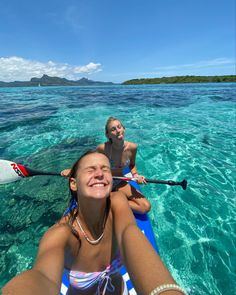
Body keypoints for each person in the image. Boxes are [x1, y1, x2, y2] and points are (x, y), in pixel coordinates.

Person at [3, 151, 187, 295]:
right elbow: (41, 277)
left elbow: (130, 232)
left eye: (105, 169)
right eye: (90, 170)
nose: (99, 173)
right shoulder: (61, 233)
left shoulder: (117, 203)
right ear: (73, 183)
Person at [62, 117, 151, 214]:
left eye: (119, 127)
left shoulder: (133, 147)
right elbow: (88, 160)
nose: (117, 131)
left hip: (119, 181)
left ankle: (110, 201)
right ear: (108, 135)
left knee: (145, 207)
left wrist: (135, 175)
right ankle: (109, 198)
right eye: (113, 129)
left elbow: (132, 165)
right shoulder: (103, 148)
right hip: (102, 180)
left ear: (124, 129)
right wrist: (73, 170)